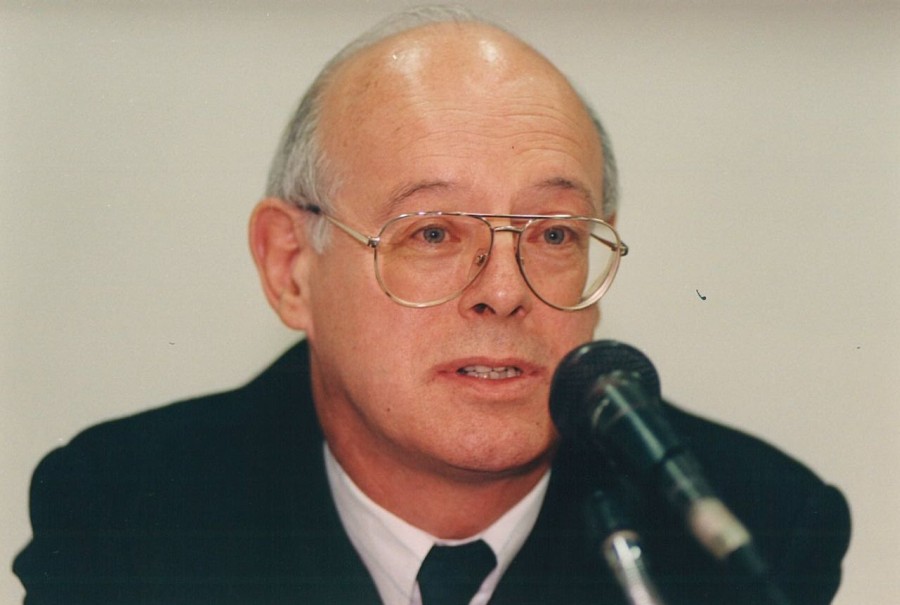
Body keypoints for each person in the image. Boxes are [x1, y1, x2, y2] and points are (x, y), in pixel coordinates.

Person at [13, 6, 850, 605]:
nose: (503, 291)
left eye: (555, 234)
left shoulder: (744, 529)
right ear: (291, 268)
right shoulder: (127, 520)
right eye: (434, 232)